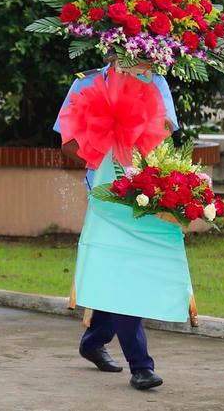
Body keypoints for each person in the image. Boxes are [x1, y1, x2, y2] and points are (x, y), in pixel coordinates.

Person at [57, 56, 179, 392]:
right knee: (123, 271)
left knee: (122, 270)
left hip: (144, 196)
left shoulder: (157, 82)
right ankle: (141, 366)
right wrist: (104, 153)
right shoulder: (87, 81)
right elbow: (66, 146)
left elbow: (165, 136)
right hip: (105, 198)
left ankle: (94, 340)